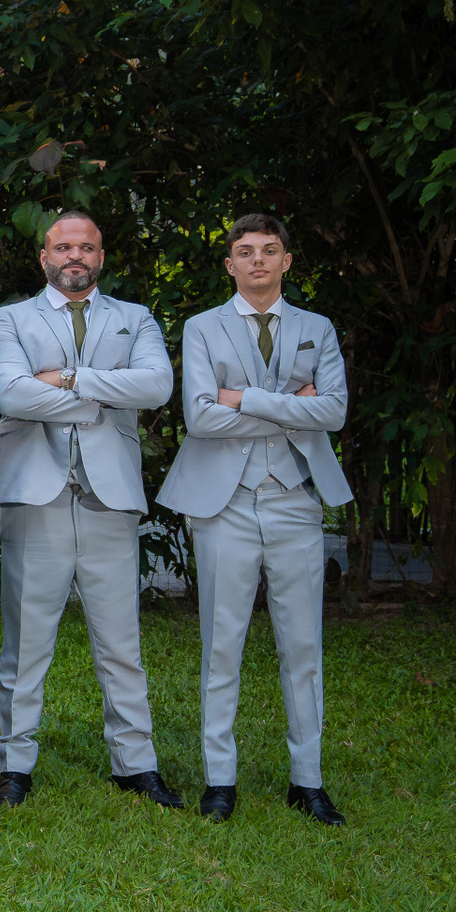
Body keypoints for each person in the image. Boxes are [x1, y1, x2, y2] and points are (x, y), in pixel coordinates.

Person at [157, 214, 353, 826]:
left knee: (303, 644)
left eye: (270, 250)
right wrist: (292, 404)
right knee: (223, 642)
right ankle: (220, 779)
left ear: (286, 261)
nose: (259, 260)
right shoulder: (201, 326)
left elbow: (335, 411)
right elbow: (201, 417)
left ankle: (308, 780)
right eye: (246, 251)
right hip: (226, 502)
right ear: (231, 265)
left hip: (297, 499)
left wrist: (240, 397)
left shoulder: (316, 328)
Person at [0, 211, 181, 810]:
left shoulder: (135, 318)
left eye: (87, 247)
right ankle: (14, 764)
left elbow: (157, 387)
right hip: (34, 495)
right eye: (64, 246)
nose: (76, 256)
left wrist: (68, 379)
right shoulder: (11, 318)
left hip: (108, 496)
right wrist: (102, 394)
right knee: (26, 641)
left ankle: (135, 763)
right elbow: (10, 393)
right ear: (44, 256)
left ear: (101, 256)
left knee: (121, 643)